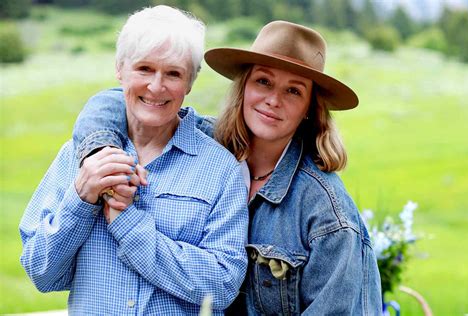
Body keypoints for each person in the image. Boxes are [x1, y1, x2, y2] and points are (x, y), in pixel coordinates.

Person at [71, 21, 382, 314]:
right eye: (263, 81)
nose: (273, 99)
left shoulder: (327, 215)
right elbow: (114, 101)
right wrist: (101, 153)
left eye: (293, 90)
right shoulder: (206, 143)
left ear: (308, 110)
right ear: (243, 87)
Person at [19, 6, 249, 315]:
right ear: (120, 69)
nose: (156, 86)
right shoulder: (78, 158)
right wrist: (82, 198)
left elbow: (222, 286)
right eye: (144, 69)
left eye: (173, 73)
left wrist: (128, 224)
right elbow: (42, 274)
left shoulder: (222, 170)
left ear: (190, 83)